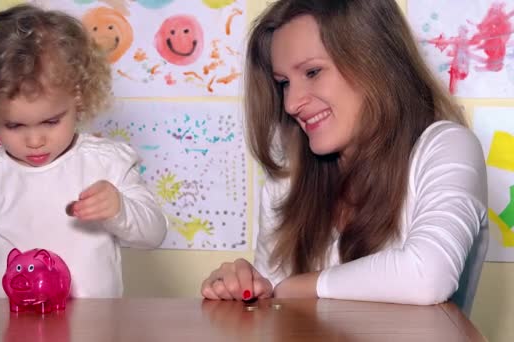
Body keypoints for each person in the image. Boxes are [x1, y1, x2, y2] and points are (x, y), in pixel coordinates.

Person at [201, 0, 488, 305]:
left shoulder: (447, 148)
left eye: (312, 72)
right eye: (284, 83)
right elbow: (271, 308)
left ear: (376, 62)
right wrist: (242, 289)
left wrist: (297, 287)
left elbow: (428, 277)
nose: (291, 103)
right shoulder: (287, 180)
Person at [0, 4, 167, 300]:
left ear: (78, 95)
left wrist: (119, 209)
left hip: (95, 329)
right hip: (12, 327)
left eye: (50, 121)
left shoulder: (107, 163)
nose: (35, 140)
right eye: (14, 125)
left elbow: (154, 234)